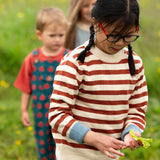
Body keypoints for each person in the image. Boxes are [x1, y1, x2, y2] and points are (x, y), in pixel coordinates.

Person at [48, 0, 148, 160]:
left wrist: (131, 131)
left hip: (109, 155)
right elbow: (57, 114)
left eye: (128, 36)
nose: (120, 43)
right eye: (113, 35)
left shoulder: (134, 64)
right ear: (95, 23)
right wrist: (92, 138)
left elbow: (137, 108)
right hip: (74, 154)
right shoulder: (75, 62)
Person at [14, 7, 69, 160]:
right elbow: (26, 88)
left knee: (64, 146)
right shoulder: (32, 59)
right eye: (52, 35)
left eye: (61, 35)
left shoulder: (68, 57)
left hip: (65, 113)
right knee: (43, 145)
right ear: (39, 34)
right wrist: (24, 110)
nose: (57, 39)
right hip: (41, 113)